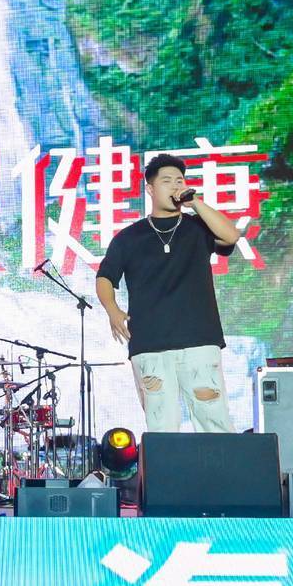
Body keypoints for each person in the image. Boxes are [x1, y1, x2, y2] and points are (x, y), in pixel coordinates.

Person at [96, 153, 244, 433]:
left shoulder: (198, 227)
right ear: (150, 189)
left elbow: (231, 236)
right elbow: (105, 277)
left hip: (199, 340)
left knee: (214, 420)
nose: (175, 185)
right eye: (167, 181)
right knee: (161, 425)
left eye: (179, 180)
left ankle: (221, 464)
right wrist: (112, 310)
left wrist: (195, 202)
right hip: (150, 343)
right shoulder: (129, 237)